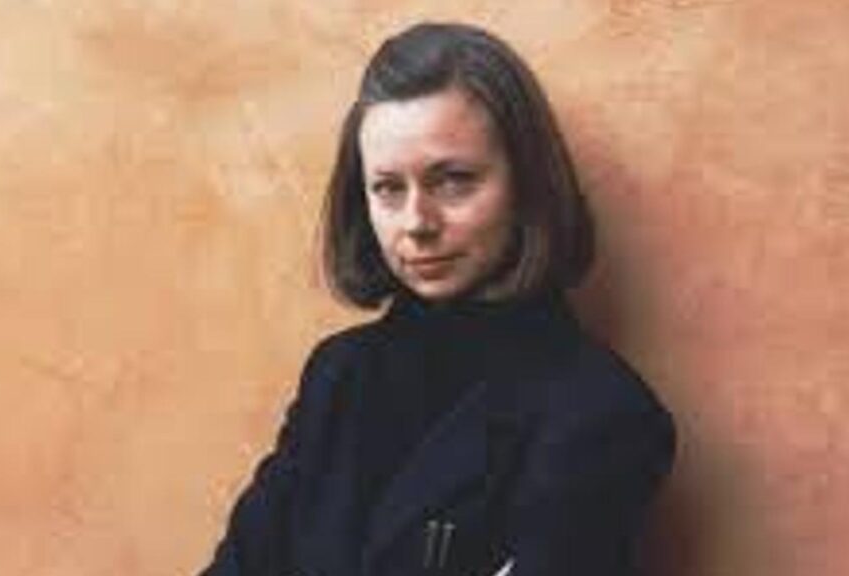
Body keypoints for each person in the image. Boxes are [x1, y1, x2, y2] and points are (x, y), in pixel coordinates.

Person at [200, 21, 675, 576]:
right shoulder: (338, 377)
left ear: (527, 185)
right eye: (388, 188)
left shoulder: (601, 413)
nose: (416, 223)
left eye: (453, 180)